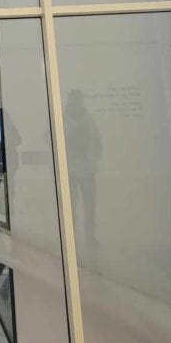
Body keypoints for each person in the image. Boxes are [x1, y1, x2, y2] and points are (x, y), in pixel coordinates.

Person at [64, 89, 102, 247]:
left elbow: (97, 142)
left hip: (87, 169)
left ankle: (89, 237)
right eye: (73, 100)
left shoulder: (89, 119)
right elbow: (50, 139)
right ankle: (72, 237)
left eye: (78, 100)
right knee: (70, 206)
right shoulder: (61, 119)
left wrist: (95, 162)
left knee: (89, 206)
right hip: (69, 170)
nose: (75, 103)